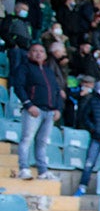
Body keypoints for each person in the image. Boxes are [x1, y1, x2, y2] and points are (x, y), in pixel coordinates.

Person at [11, 43, 62, 181]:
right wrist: (28, 105)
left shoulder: (49, 71)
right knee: (27, 139)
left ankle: (43, 171)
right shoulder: (24, 68)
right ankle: (24, 169)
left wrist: (58, 109)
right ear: (29, 54)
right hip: (34, 110)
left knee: (42, 142)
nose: (38, 53)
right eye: (34, 51)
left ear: (45, 55)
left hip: (49, 112)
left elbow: (57, 91)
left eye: (41, 51)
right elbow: (18, 87)